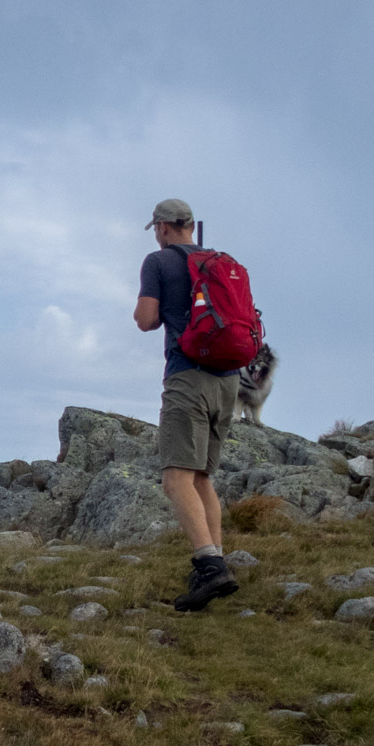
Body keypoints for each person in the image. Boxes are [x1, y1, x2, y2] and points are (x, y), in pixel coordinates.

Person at [133, 197, 241, 611]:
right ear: (191, 226)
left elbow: (146, 320)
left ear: (161, 227)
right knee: (201, 478)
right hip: (228, 381)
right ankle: (215, 565)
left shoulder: (158, 263)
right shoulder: (219, 261)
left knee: (176, 478)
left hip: (187, 375)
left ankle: (210, 566)